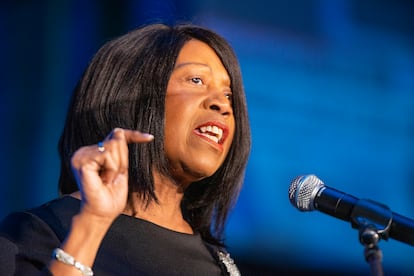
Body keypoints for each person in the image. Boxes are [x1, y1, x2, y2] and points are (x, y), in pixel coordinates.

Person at [0, 23, 251, 275]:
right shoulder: (41, 232)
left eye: (229, 95)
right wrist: (93, 223)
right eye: (196, 80)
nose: (223, 105)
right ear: (134, 95)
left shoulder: (218, 265)